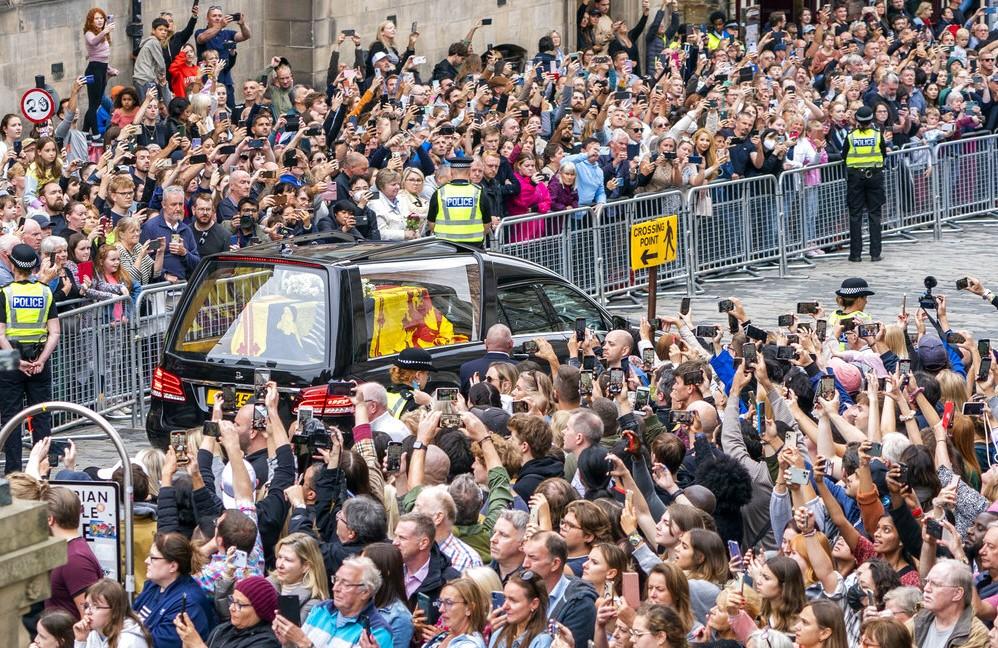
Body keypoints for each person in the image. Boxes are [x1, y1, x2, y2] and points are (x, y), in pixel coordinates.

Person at [0, 243, 59, 473]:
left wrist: (15, 360)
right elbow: (54, 332)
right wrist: (43, 359)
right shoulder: (45, 292)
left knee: (11, 417)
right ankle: (42, 468)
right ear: (35, 267)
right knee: (41, 415)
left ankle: (13, 472)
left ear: (12, 265)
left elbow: (0, 334)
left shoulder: (5, 293)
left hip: (9, 358)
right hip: (38, 356)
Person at [273, 556, 393, 648]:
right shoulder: (321, 609)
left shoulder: (376, 632)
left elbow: (304, 643)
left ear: (365, 592)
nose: (335, 588)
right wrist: (289, 642)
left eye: (345, 584)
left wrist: (304, 643)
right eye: (336, 580)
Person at [133, 532, 216, 648]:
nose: (146, 561)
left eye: (153, 558)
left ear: (173, 566)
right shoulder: (153, 585)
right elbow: (129, 617)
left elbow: (153, 644)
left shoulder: (187, 605)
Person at [44, 487, 103, 620]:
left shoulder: (74, 560)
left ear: (49, 519)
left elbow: (88, 618)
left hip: (69, 639)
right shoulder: (68, 551)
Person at [174, 575, 280, 648]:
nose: (231, 608)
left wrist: (197, 644)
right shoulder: (222, 629)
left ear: (260, 610)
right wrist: (187, 639)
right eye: (232, 601)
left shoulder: (267, 642)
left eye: (239, 604)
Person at [908, 560, 989, 648]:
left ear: (957, 593)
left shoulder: (976, 634)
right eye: (927, 581)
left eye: (935, 584)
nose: (926, 588)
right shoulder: (920, 618)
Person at [843, 106, 887, 263]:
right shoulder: (877, 135)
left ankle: (855, 254)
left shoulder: (850, 136)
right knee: (874, 215)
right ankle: (875, 253)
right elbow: (883, 154)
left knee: (855, 215)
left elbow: (844, 155)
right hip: (874, 176)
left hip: (855, 178)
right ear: (871, 120)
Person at [426, 157, 492, 247]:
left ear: (451, 172)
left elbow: (431, 223)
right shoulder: (479, 193)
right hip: (474, 248)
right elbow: (487, 224)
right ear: (469, 172)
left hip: (446, 247)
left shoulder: (440, 192)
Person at [72, 579, 152, 648]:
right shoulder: (94, 634)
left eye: (96, 606)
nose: (87, 612)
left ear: (115, 611)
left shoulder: (130, 641)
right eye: (87, 605)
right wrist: (81, 641)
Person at [420, 577, 489, 648]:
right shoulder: (442, 636)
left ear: (469, 608)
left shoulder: (470, 645)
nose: (441, 609)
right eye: (440, 602)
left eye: (449, 603)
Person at [489, 571, 552, 648]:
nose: (505, 606)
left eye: (513, 600)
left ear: (534, 604)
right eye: (505, 598)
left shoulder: (543, 641)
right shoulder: (498, 635)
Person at [386, 347, 435, 420]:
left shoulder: (386, 393)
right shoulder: (417, 403)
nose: (427, 377)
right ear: (418, 375)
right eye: (427, 373)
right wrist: (431, 402)